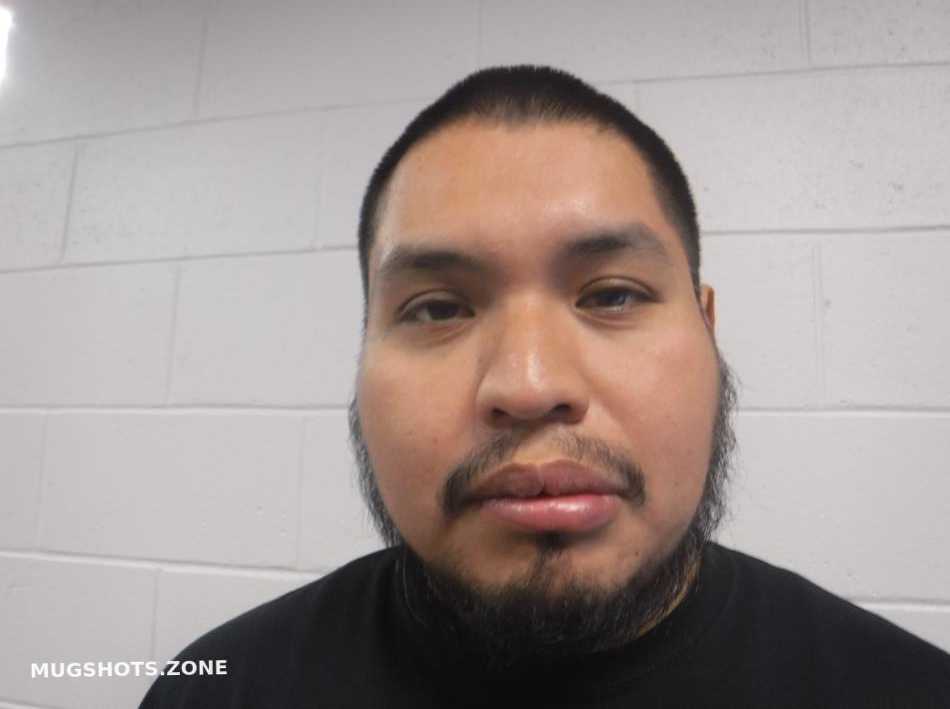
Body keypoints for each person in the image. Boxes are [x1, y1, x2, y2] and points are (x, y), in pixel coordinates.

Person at [139, 65, 950, 708]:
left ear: (708, 328)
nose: (530, 387)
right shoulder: (217, 690)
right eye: (438, 308)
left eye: (613, 295)